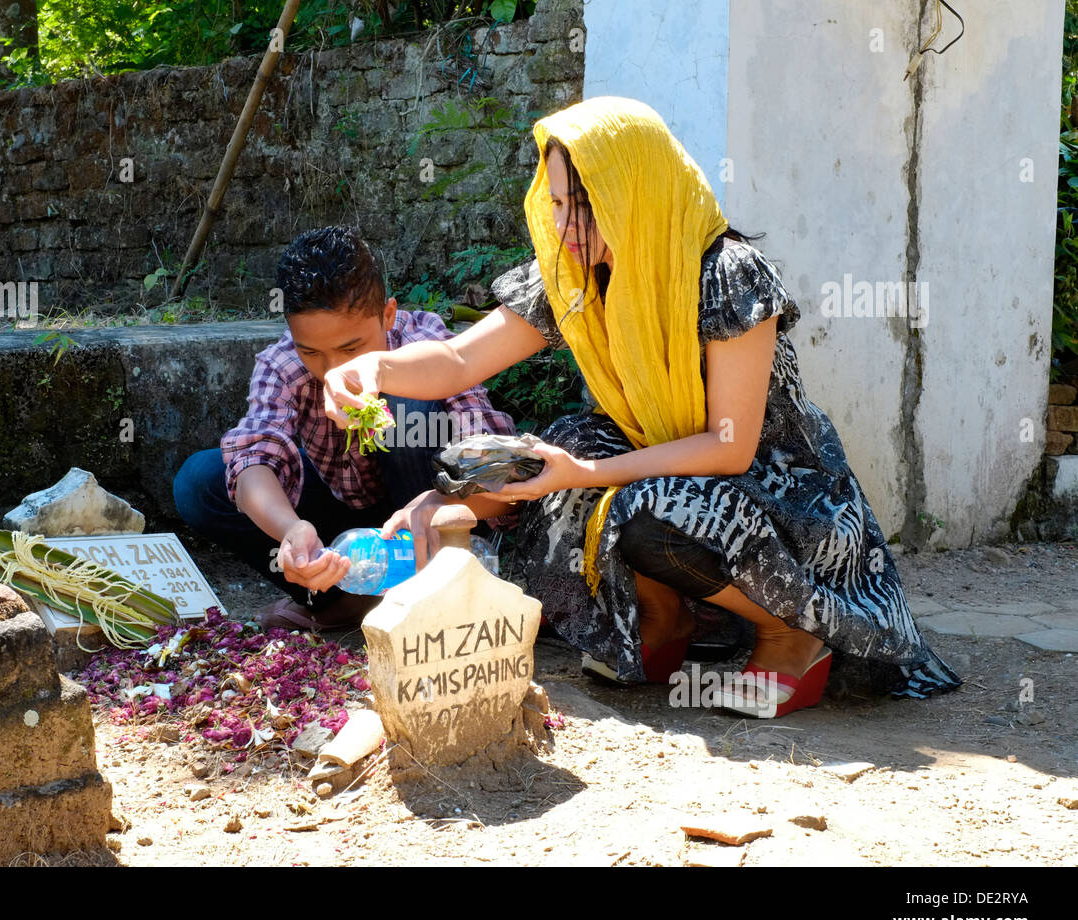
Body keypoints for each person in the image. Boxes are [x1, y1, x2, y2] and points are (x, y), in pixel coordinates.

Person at [322, 97, 961, 717]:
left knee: (639, 505)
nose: (567, 227)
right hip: (672, 462)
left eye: (586, 207)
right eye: (558, 203)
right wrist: (373, 367)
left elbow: (729, 445)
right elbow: (459, 362)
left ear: (635, 192)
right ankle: (662, 624)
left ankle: (792, 637)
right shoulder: (578, 275)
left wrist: (588, 474)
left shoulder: (725, 273)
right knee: (531, 458)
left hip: (779, 493)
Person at [172, 225, 516, 632]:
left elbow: (503, 477)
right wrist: (291, 530)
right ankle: (349, 597)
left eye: (351, 349)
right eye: (311, 351)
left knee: (409, 408)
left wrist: (439, 503)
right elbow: (255, 454)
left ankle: (431, 590)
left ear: (387, 315)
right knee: (201, 481)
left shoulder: (426, 345)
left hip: (431, 517)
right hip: (350, 532)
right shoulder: (283, 365)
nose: (333, 369)